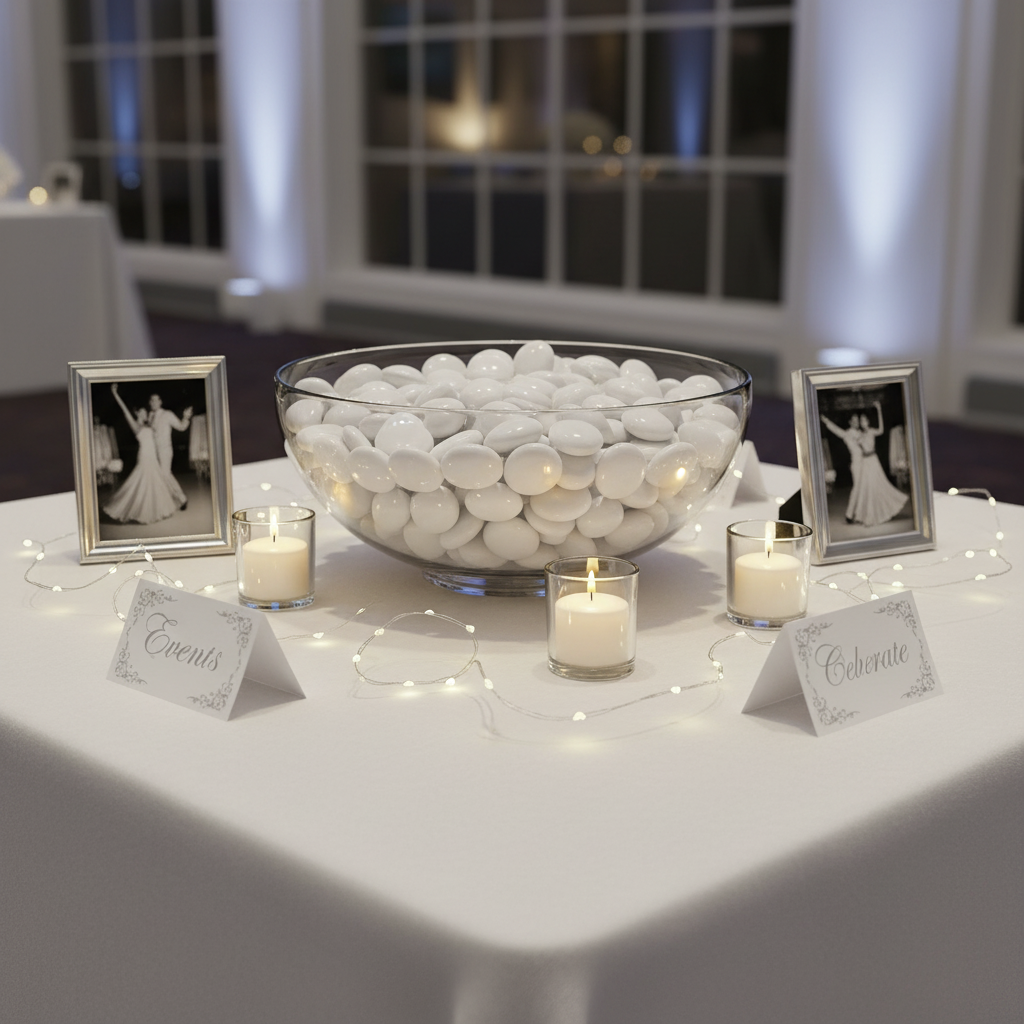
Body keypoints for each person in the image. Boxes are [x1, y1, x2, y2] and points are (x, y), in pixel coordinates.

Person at [102, 384, 182, 525]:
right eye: (142, 412)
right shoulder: (135, 425)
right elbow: (124, 409)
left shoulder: (148, 425)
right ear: (137, 414)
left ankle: (154, 510)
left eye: (146, 412)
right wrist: (115, 394)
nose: (145, 413)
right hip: (144, 457)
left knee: (154, 483)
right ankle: (138, 511)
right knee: (141, 483)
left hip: (153, 458)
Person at [845, 402, 909, 527]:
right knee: (867, 488)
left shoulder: (872, 431)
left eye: (864, 420)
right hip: (865, 462)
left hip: (873, 460)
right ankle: (866, 515)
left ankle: (877, 513)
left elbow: (881, 430)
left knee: (878, 485)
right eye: (861, 421)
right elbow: (852, 442)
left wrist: (879, 410)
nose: (863, 423)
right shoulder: (860, 434)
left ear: (868, 422)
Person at [147, 392, 191, 508]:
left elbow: (181, 427)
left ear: (160, 402)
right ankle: (166, 501)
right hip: (153, 451)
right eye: (152, 400)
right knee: (160, 475)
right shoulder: (150, 416)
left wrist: (186, 417)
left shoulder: (167, 414)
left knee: (165, 474)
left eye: (156, 400)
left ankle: (182, 499)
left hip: (165, 450)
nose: (153, 402)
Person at [820, 412, 864, 523]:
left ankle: (860, 514)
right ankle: (849, 514)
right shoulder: (847, 433)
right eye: (854, 420)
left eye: (857, 420)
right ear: (850, 422)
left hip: (866, 463)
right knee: (857, 488)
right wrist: (826, 421)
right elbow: (836, 430)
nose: (856, 422)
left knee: (865, 488)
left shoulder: (861, 432)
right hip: (857, 463)